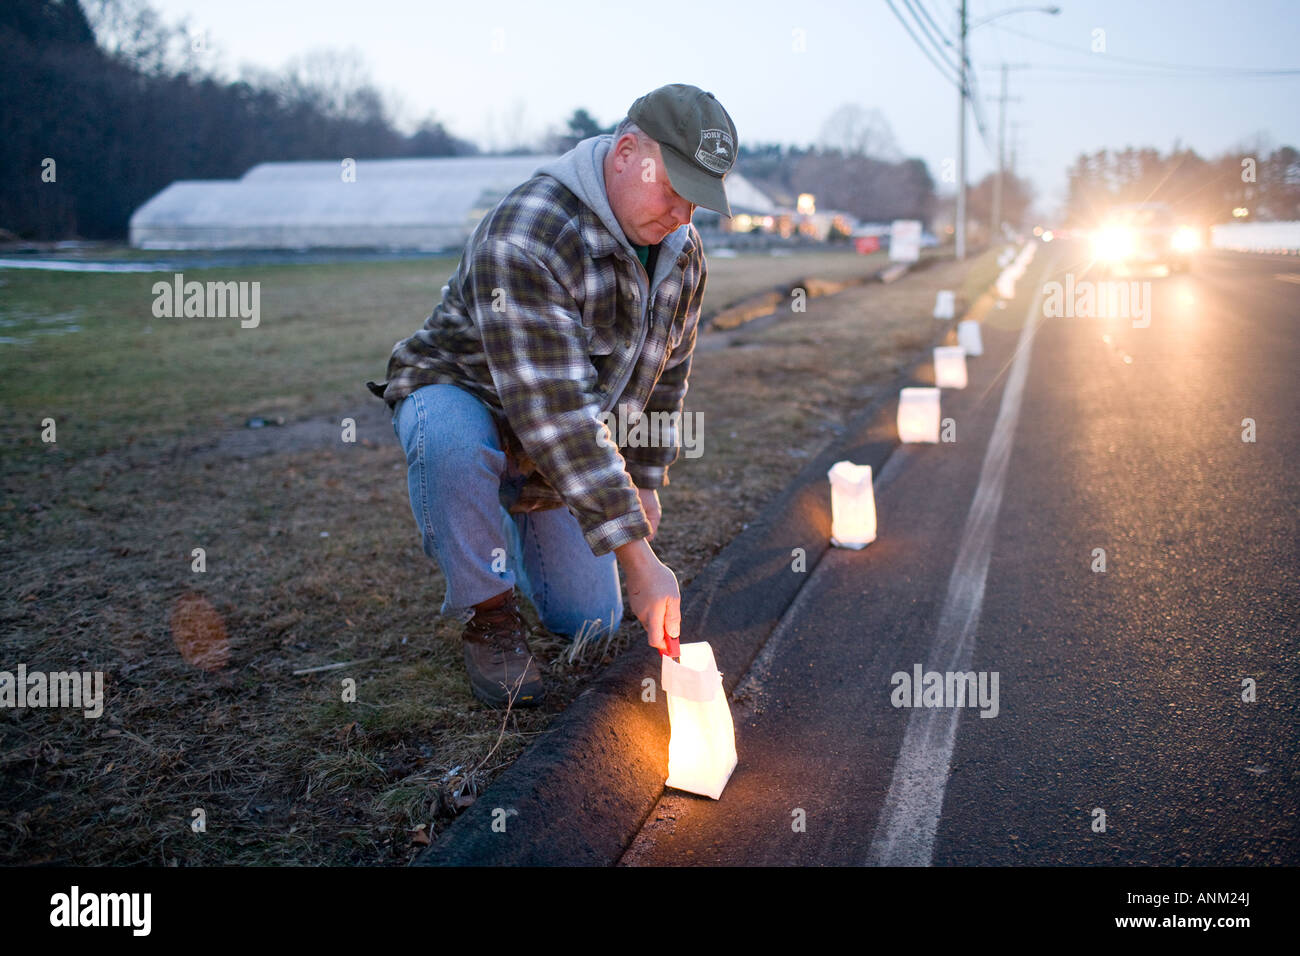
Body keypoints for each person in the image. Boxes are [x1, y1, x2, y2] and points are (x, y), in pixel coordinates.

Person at [366, 83, 738, 707]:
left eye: (696, 201)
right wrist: (640, 559)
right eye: (671, 188)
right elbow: (560, 414)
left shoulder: (682, 255)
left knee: (587, 620)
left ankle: (515, 509)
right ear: (625, 153)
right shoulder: (528, 232)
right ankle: (489, 612)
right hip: (467, 398)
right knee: (453, 444)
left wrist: (643, 480)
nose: (681, 214)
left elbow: (667, 375)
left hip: (557, 444)